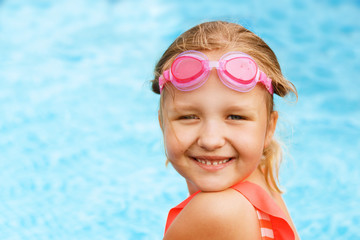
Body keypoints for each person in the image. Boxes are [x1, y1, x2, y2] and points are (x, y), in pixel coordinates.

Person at [151, 21, 300, 240]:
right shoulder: (261, 180)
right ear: (163, 123)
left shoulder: (215, 211)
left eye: (236, 117)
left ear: (269, 128)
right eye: (189, 117)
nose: (211, 140)